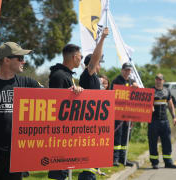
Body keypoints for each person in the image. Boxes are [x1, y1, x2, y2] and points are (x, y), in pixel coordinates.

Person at [0, 42, 42, 180]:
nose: (23, 61)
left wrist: (73, 92)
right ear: (6, 60)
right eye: (20, 58)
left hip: (15, 154)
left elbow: (54, 98)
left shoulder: (27, 83)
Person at [47, 44, 83, 180]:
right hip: (59, 133)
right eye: (80, 57)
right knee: (59, 172)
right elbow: (57, 105)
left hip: (66, 131)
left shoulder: (66, 75)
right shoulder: (59, 76)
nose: (81, 59)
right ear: (74, 57)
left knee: (65, 171)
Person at [78, 27, 109, 180]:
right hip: (87, 124)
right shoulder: (87, 74)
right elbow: (95, 58)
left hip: (93, 123)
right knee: (87, 166)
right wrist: (102, 38)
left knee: (91, 163)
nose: (100, 65)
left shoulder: (94, 79)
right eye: (98, 63)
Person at [110, 62, 138, 167]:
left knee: (126, 136)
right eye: (126, 70)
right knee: (118, 136)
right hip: (118, 114)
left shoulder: (132, 81)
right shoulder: (116, 81)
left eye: (129, 70)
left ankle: (124, 158)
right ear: (122, 70)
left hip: (128, 114)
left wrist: (136, 87)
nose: (127, 72)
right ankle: (115, 159)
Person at [148, 73, 176, 169]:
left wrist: (174, 117)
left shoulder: (167, 91)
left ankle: (168, 162)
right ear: (155, 80)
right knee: (153, 142)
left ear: (163, 81)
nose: (158, 81)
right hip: (153, 121)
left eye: (160, 79)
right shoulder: (150, 91)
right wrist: (150, 106)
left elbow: (170, 104)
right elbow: (144, 104)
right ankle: (154, 162)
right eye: (157, 79)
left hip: (165, 121)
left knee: (167, 141)